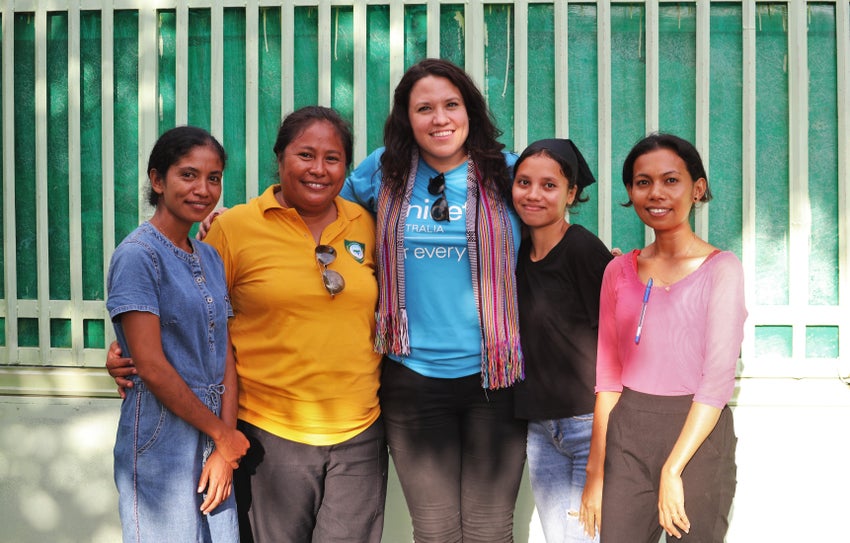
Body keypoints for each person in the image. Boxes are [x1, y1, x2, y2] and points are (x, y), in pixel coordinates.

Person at [108, 106, 387, 543]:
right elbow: (170, 315)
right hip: (267, 435)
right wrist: (126, 352)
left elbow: (206, 324)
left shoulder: (366, 225)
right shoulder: (233, 229)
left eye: (332, 158)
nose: (319, 169)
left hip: (359, 433)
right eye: (305, 155)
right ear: (279, 160)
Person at [341, 58, 528, 543]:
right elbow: (319, 220)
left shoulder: (508, 173)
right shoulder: (381, 171)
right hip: (411, 379)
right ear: (408, 118)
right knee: (436, 531)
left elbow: (553, 236)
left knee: (489, 531)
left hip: (495, 377)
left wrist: (608, 265)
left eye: (451, 105)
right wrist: (234, 226)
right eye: (424, 108)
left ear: (470, 111)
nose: (439, 118)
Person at [580, 133, 745, 542]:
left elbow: (718, 379)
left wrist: (673, 469)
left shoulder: (722, 269)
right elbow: (608, 377)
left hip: (698, 437)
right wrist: (596, 472)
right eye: (642, 182)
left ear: (698, 188)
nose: (656, 193)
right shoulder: (617, 272)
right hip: (628, 435)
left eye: (671, 180)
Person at [106, 126, 249, 542]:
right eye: (188, 175)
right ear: (157, 180)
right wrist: (225, 436)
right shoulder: (137, 256)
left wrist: (224, 443)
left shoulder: (208, 255)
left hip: (213, 429)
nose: (203, 189)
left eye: (214, 177)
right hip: (160, 432)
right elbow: (149, 364)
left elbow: (223, 353)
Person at [511, 139, 612, 542]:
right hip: (540, 427)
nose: (533, 194)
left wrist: (601, 457)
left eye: (549, 185)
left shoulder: (583, 249)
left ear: (571, 194)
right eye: (523, 182)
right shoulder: (514, 251)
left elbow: (617, 339)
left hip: (587, 424)